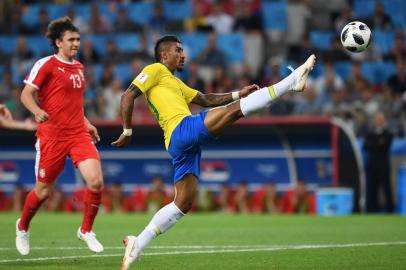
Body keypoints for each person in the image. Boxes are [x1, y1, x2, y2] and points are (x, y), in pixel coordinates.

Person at [111, 35, 316, 269]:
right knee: (234, 113)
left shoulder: (175, 82)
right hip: (181, 130)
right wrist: (127, 131)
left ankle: (138, 243)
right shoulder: (155, 69)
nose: (183, 54)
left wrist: (239, 94)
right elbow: (127, 95)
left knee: (183, 204)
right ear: (164, 54)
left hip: (181, 143)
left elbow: (206, 99)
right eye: (178, 50)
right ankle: (290, 82)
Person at [15, 16, 105, 256]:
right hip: (52, 136)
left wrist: (87, 123)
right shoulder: (46, 64)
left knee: (95, 181)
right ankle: (22, 225)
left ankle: (86, 230)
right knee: (43, 192)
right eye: (71, 39)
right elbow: (26, 94)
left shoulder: (79, 67)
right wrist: (36, 111)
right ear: (58, 42)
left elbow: (74, 104)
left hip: (77, 134)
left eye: (78, 39)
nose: (76, 43)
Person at [363, 111, 394, 212]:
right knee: (371, 189)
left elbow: (385, 145)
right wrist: (378, 142)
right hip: (371, 165)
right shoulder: (370, 133)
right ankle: (371, 209)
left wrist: (374, 143)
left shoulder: (388, 134)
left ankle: (390, 209)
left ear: (384, 121)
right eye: (377, 119)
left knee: (386, 188)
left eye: (380, 119)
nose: (378, 121)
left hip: (383, 165)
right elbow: (366, 146)